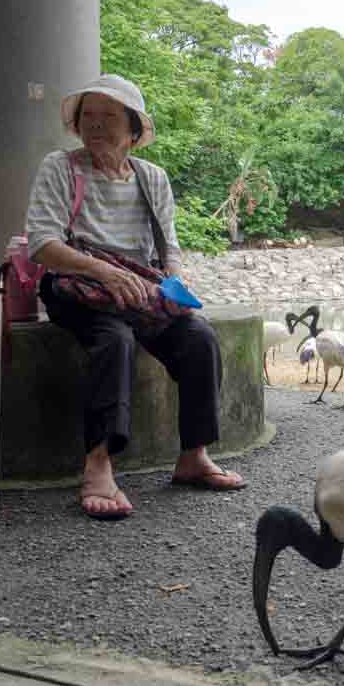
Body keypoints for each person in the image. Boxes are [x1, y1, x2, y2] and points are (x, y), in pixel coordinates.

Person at [25, 74, 246, 521]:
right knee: (115, 339)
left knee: (197, 336)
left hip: (139, 286)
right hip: (78, 284)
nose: (97, 126)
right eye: (89, 116)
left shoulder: (152, 178)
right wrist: (105, 272)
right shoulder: (60, 167)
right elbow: (42, 244)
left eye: (110, 117)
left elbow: (168, 247)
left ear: (133, 129)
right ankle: (99, 464)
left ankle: (193, 456)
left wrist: (173, 284)